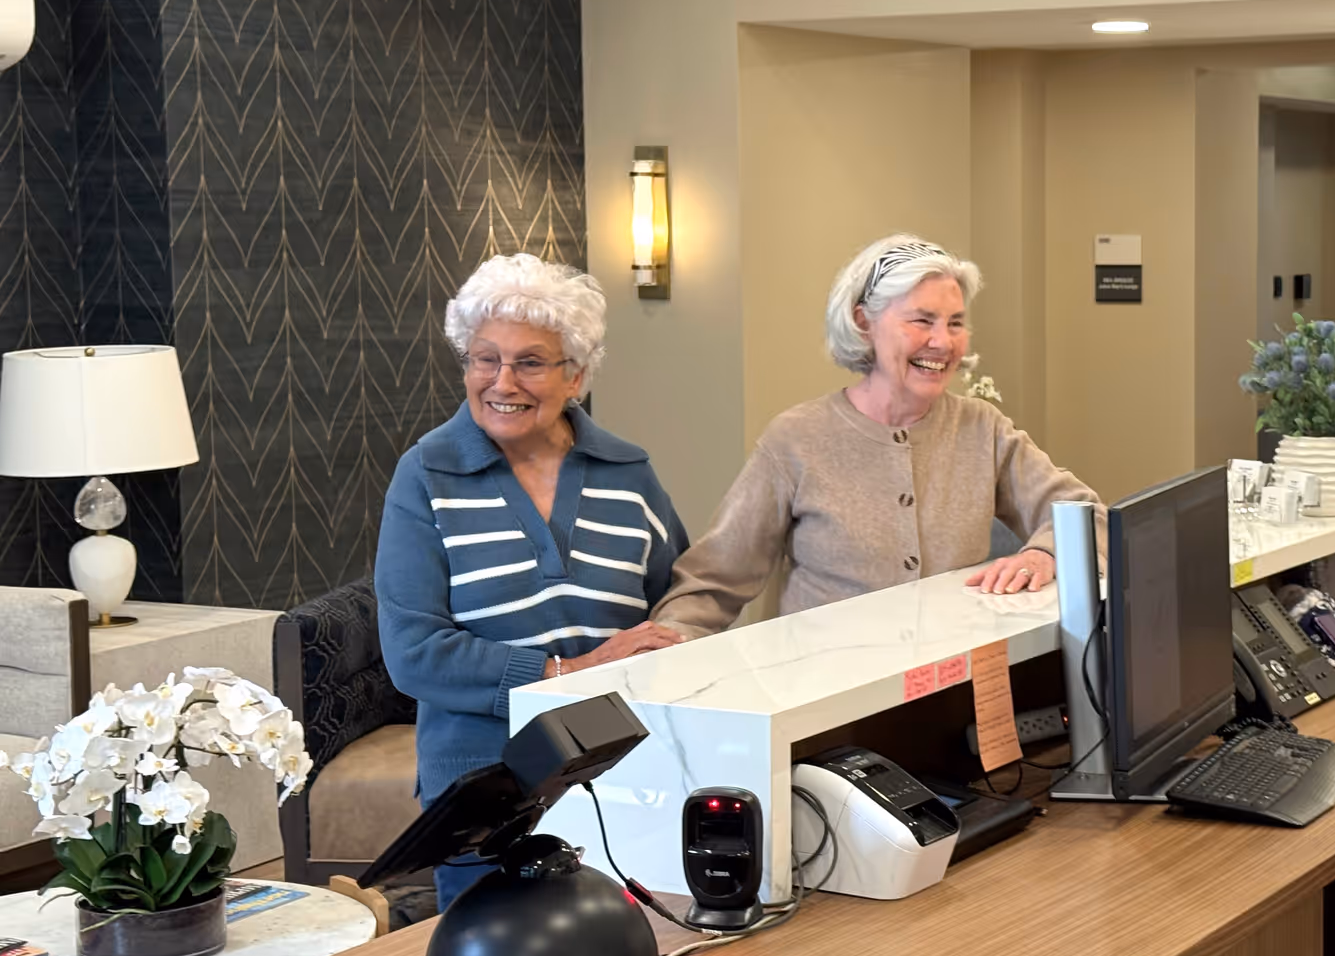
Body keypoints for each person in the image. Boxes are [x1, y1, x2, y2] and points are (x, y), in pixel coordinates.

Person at [375, 252, 687, 910]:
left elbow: (675, 609)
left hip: (632, 769)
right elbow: (414, 652)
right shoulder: (426, 475)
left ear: (576, 376)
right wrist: (568, 673)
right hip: (492, 790)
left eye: (530, 361)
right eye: (484, 358)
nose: (501, 380)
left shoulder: (630, 472)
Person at [651, 235, 1101, 639]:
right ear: (863, 322)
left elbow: (1088, 518)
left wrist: (1044, 555)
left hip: (957, 695)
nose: (942, 342)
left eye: (956, 323)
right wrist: (665, 652)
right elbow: (713, 582)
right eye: (922, 321)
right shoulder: (796, 439)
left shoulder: (983, 429)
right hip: (826, 703)